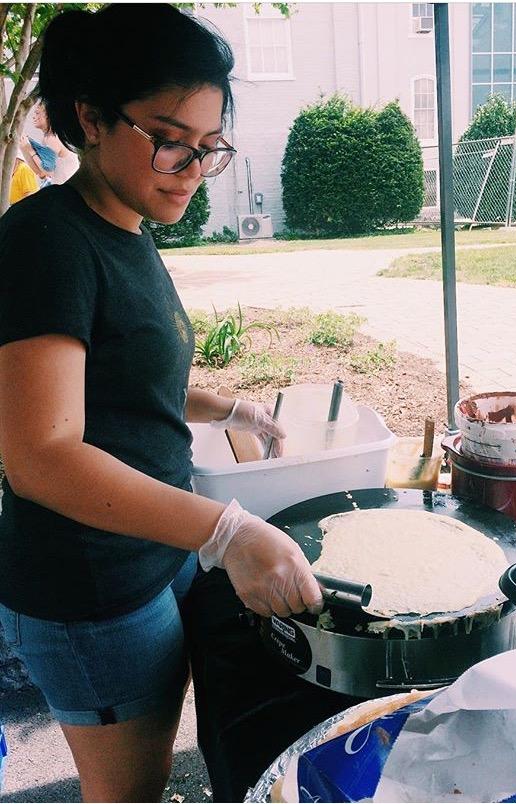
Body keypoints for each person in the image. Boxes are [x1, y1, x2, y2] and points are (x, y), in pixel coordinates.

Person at [0, 6, 324, 802]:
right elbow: (40, 455)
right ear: (92, 117)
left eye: (209, 147)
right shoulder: (46, 241)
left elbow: (119, 373)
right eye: (170, 137)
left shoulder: (128, 228)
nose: (190, 165)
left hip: (152, 550)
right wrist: (228, 528)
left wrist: (223, 409)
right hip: (91, 589)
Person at [20, 102, 79, 185]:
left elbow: (48, 171)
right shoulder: (48, 138)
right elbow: (41, 174)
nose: (34, 117)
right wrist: (24, 147)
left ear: (48, 116)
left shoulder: (52, 138)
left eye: (37, 113)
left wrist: (30, 150)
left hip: (67, 191)